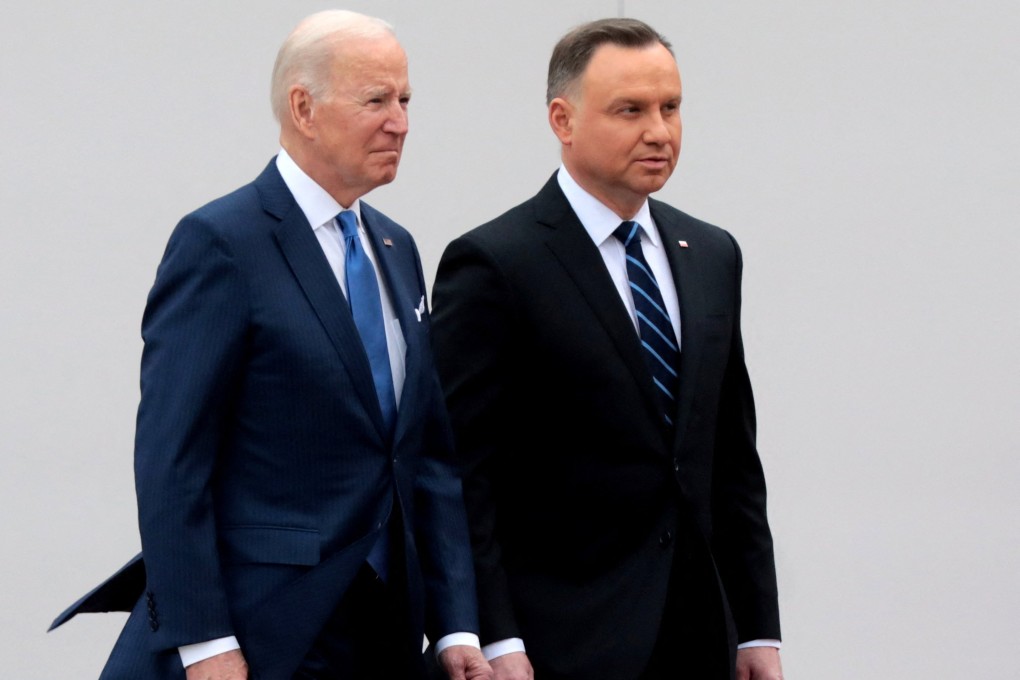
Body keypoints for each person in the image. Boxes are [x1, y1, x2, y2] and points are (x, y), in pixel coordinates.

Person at [48, 10, 492, 680]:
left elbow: (425, 454)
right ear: (303, 108)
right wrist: (204, 642)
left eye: (405, 100)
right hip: (263, 634)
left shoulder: (396, 249)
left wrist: (456, 623)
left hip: (381, 634)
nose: (400, 121)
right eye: (376, 100)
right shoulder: (223, 243)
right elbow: (173, 462)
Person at [430, 17, 782, 680]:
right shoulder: (496, 264)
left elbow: (731, 459)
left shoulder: (711, 255)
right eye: (630, 110)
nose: (659, 131)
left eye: (671, 108)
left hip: (698, 637)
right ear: (562, 120)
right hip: (559, 641)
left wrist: (757, 631)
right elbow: (461, 475)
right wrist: (497, 638)